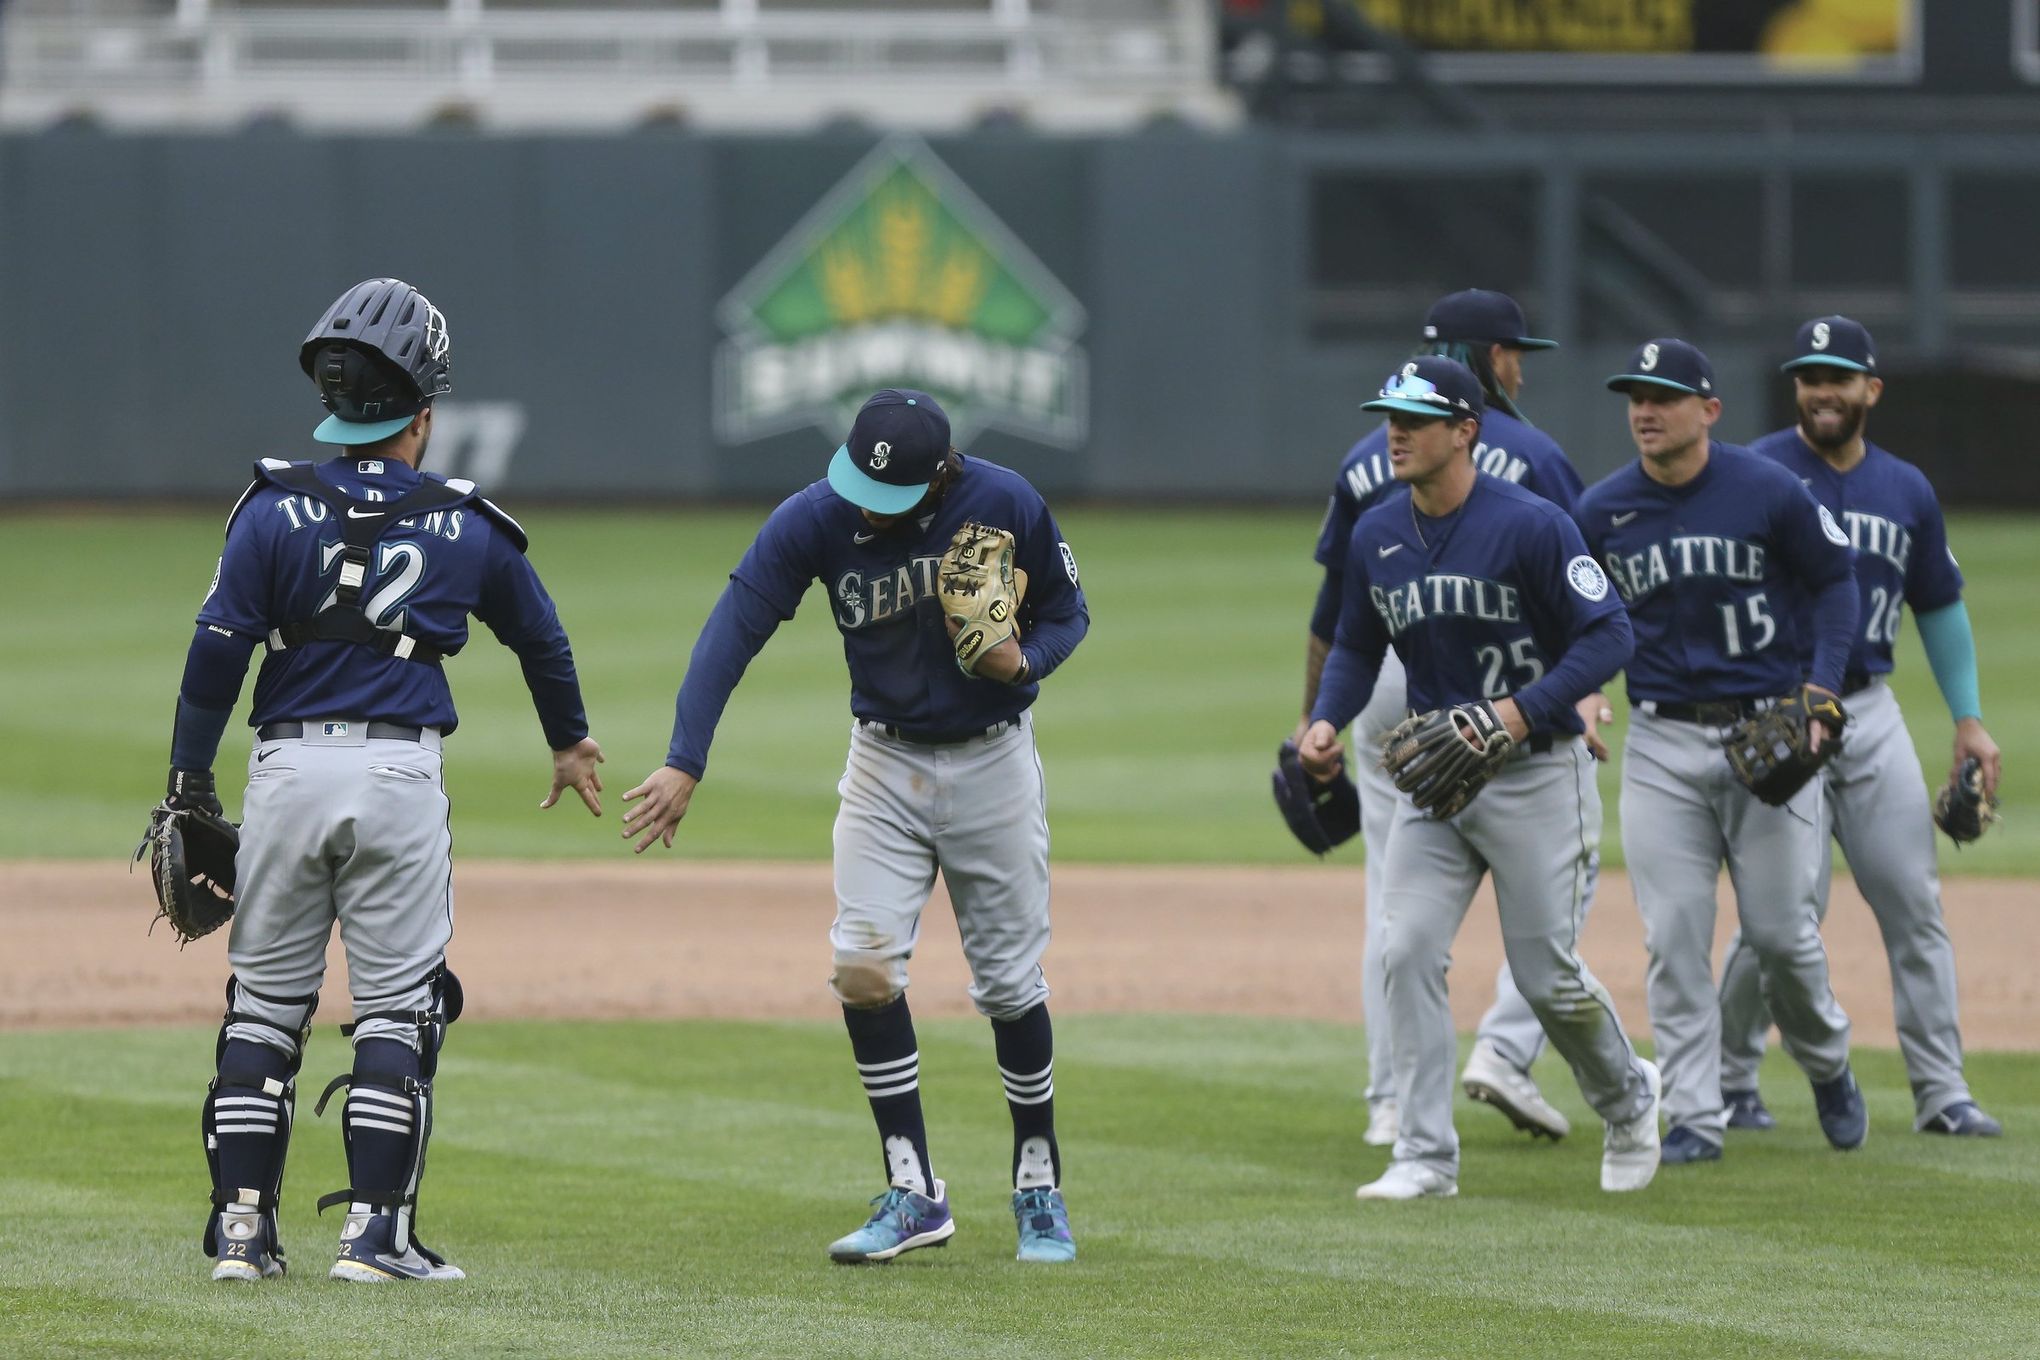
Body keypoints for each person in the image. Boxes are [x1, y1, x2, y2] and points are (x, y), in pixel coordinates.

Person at [169, 277, 605, 1283]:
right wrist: (570, 741)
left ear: (332, 402)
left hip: (287, 766)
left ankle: (241, 1231)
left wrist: (191, 777)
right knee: (398, 1009)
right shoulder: (467, 523)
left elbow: (215, 652)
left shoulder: (271, 509)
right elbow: (541, 636)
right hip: (398, 769)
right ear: (422, 415)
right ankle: (375, 1237)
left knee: (265, 1009)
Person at [621, 389, 1090, 1263]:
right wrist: (686, 756)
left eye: (889, 495)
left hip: (993, 762)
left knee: (1010, 985)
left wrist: (1025, 661)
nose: (864, 507)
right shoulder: (817, 515)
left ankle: (1039, 1183)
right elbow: (736, 623)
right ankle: (912, 1190)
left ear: (939, 478)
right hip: (883, 764)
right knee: (862, 967)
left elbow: (1070, 613)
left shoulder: (1006, 501)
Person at [1298, 356, 1661, 1200]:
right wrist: (1327, 718)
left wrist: (1522, 712)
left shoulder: (1532, 525)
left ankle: (1630, 1097)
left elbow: (1609, 636)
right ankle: (1424, 1155)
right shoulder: (1377, 531)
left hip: (1535, 776)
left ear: (1466, 430)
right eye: (1389, 415)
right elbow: (1357, 642)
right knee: (1406, 949)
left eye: (1416, 419)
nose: (1395, 431)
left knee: (1545, 976)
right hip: (1437, 780)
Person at [1579, 338, 1863, 1166]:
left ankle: (1827, 1061)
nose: (1644, 409)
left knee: (1781, 936)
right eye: (1635, 395)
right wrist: (1588, 692)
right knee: (1673, 935)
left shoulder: (1768, 489)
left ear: (1709, 411)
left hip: (1766, 731)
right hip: (1662, 739)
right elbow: (1580, 621)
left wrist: (1822, 686)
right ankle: (1695, 1114)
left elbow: (1835, 581)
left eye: (1663, 396)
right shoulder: (1602, 511)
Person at [1716, 316, 2002, 1138]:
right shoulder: (1756, 471)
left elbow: (1939, 608)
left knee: (1913, 899)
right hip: (1780, 709)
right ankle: (1733, 1080)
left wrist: (1969, 721)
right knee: (1781, 913)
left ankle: (1942, 1093)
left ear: (1870, 390)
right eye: (1809, 376)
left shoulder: (1905, 489)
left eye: (1838, 377)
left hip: (1869, 711)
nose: (1822, 391)